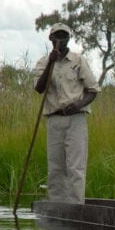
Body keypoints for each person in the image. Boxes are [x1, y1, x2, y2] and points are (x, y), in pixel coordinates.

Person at [32, 22, 100, 204]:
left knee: (75, 168)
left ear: (69, 38)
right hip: (54, 119)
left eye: (64, 36)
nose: (60, 40)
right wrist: (51, 64)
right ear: (50, 39)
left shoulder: (78, 61)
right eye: (57, 36)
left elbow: (93, 90)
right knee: (55, 168)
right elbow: (39, 88)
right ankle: (57, 208)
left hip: (76, 119)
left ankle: (76, 208)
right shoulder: (43, 62)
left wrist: (78, 105)